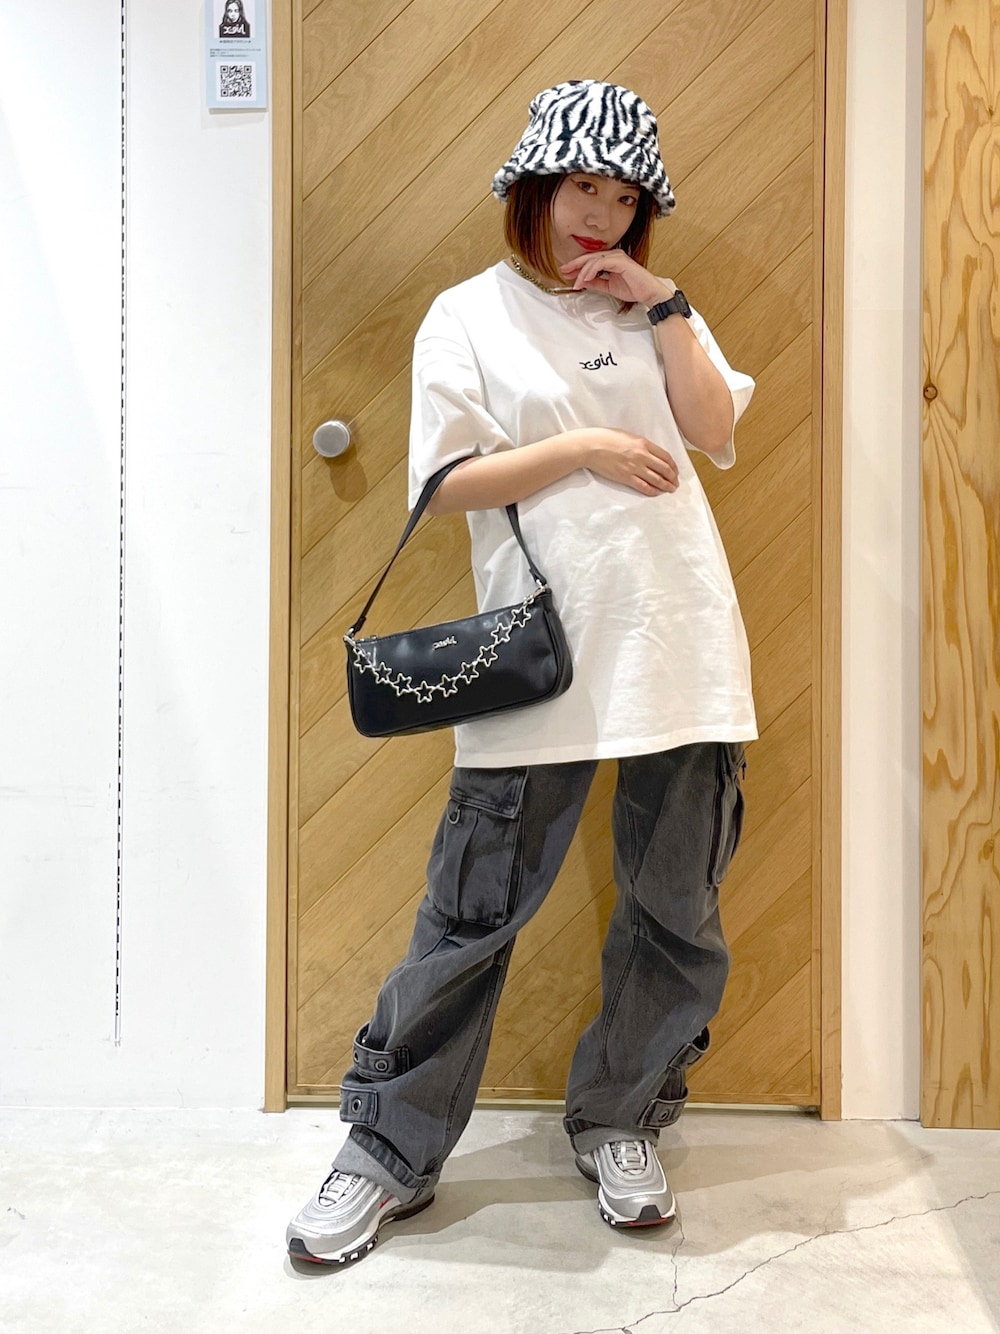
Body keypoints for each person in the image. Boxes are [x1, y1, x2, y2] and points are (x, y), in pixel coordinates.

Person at [287, 79, 756, 1267]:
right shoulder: (468, 314)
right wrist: (583, 444)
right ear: (533, 188)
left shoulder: (655, 310)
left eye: (623, 195)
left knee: (675, 911)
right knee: (467, 916)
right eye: (579, 187)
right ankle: (385, 1149)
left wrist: (663, 304)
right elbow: (442, 483)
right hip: (534, 660)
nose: (599, 213)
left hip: (681, 644)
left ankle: (620, 1119)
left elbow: (713, 428)